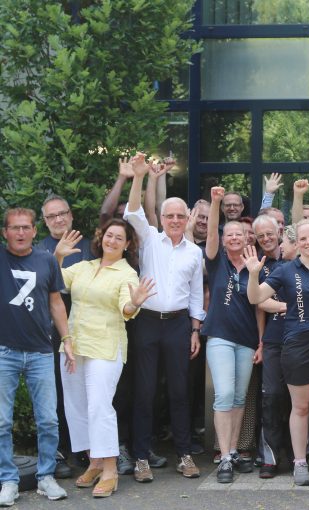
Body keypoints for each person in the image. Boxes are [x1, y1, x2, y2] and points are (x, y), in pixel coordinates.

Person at [53, 222, 155, 498]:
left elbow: (126, 308)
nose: (112, 240)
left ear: (127, 244)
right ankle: (95, 462)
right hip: (74, 345)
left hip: (105, 348)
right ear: (102, 237)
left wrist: (135, 303)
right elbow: (52, 281)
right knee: (77, 407)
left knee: (99, 406)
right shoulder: (85, 266)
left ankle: (110, 471)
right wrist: (58, 255)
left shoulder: (127, 273)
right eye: (109, 235)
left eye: (118, 238)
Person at [123, 153, 205, 482]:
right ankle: (141, 457)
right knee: (143, 391)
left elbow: (197, 294)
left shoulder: (195, 252)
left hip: (178, 325)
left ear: (187, 219)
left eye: (179, 216)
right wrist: (141, 176)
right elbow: (131, 211)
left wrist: (195, 329)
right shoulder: (149, 240)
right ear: (161, 216)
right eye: (169, 215)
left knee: (179, 391)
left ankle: (184, 455)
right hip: (146, 322)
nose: (173, 220)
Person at [245, 219, 309, 487]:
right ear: (296, 243)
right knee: (300, 407)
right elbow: (255, 298)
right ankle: (300, 463)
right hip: (296, 342)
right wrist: (254, 274)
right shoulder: (285, 270)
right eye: (304, 238)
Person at [0, 208, 73, 505]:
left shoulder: (46, 259)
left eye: (25, 228)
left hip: (41, 351)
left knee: (48, 420)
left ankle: (45, 476)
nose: (20, 233)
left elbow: (56, 303)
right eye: (14, 228)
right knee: (2, 422)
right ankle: (7, 480)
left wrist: (66, 339)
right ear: (5, 232)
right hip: (4, 351)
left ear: (33, 230)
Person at [203, 187, 261, 483]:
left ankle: (235, 450)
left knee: (239, 397)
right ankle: (224, 456)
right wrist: (215, 203)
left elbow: (259, 306)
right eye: (230, 234)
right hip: (220, 336)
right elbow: (212, 230)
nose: (235, 238)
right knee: (224, 394)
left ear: (247, 238)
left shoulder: (255, 264)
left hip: (247, 339)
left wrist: (261, 341)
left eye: (240, 234)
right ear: (224, 239)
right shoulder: (216, 259)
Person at [36, 195, 93, 479]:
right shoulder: (38, 251)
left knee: (85, 389)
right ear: (44, 222)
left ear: (71, 215)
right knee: (56, 391)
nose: (59, 219)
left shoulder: (91, 245)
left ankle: (85, 448)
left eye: (63, 213)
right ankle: (59, 451)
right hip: (50, 331)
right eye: (52, 216)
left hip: (88, 328)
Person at [256, 222, 293, 478]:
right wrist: (260, 341)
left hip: (302, 340)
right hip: (273, 340)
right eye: (261, 235)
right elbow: (259, 303)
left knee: (297, 401)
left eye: (272, 234)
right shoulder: (262, 265)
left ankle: (297, 456)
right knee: (272, 397)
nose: (267, 239)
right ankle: (269, 457)